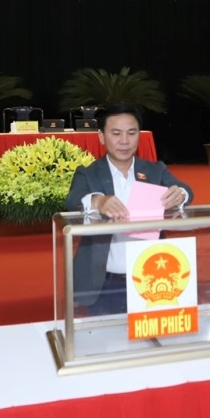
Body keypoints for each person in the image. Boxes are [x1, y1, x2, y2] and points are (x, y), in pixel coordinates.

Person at [65, 103, 193, 315]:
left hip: (152, 279)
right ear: (102, 137)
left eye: (131, 133)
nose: (124, 141)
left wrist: (180, 194)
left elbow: (186, 191)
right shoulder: (88, 173)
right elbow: (72, 200)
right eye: (116, 133)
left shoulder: (155, 170)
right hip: (104, 283)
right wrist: (97, 201)